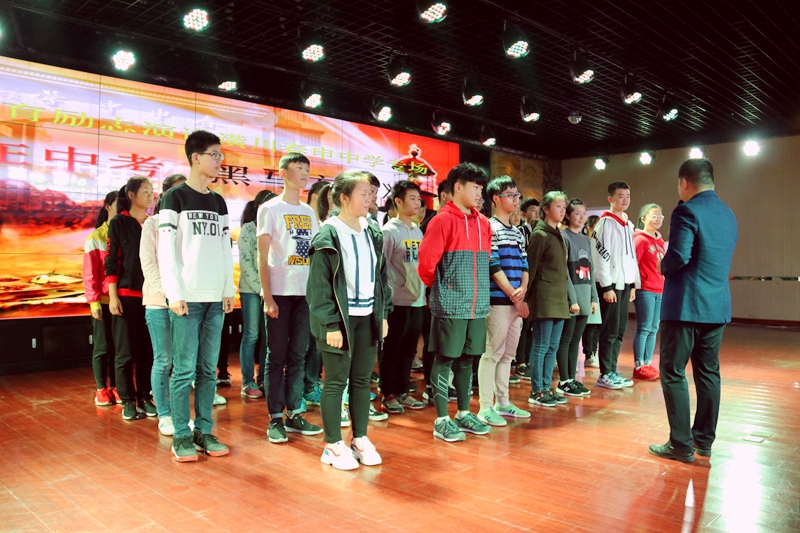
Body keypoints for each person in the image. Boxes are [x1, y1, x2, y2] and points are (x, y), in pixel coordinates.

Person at [649, 159, 737, 463]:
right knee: (708, 373)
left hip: (685, 307)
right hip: (717, 307)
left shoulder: (686, 210)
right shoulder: (727, 214)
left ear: (684, 183)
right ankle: (703, 441)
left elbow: (679, 255)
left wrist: (661, 265)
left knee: (673, 372)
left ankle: (680, 444)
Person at [159, 130, 235, 461]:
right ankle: (181, 435)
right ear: (196, 158)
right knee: (184, 370)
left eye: (220, 155)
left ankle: (204, 431)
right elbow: (166, 250)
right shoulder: (174, 197)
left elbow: (224, 248)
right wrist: (174, 292)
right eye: (214, 155)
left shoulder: (218, 202)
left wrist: (228, 288)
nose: (219, 161)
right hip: (186, 299)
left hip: (215, 299)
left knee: (207, 370)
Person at [308, 170, 391, 470]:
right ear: (344, 198)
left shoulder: (373, 232)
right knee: (335, 382)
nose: (370, 198)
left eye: (371, 194)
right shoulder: (328, 235)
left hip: (367, 317)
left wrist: (382, 314)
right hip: (339, 321)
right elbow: (318, 287)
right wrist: (330, 324)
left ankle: (359, 438)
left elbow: (381, 278)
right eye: (363, 193)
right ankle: (332, 444)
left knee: (361, 380)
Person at [418, 162, 492, 442]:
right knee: (445, 358)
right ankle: (441, 419)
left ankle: (463, 412)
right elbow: (426, 265)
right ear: (458, 187)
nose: (480, 193)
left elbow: (486, 261)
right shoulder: (441, 220)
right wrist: (442, 289)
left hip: (478, 304)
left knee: (468, 360)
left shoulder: (483, 223)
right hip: (451, 303)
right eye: (475, 187)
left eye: (481, 188)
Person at [257, 153, 323, 444]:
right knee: (276, 357)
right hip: (280, 293)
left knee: (299, 355)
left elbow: (316, 253)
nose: (304, 173)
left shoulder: (309, 212)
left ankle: (294, 413)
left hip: (304, 294)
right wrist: (267, 295)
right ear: (283, 173)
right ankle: (275, 418)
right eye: (299, 168)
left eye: (307, 169)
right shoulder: (269, 209)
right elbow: (262, 256)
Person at [477, 176, 531, 426]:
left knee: (508, 354)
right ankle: (485, 407)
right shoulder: (489, 227)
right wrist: (514, 295)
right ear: (495, 199)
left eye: (516, 194)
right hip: (498, 301)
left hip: (515, 300)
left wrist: (523, 289)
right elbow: (493, 265)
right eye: (510, 194)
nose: (515, 199)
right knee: (492, 353)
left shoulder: (518, 231)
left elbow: (525, 264)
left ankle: (503, 402)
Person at [140, 173, 186, 436]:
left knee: (183, 362)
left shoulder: (186, 223)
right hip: (159, 302)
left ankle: (180, 415)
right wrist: (170, 295)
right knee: (164, 359)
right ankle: (165, 415)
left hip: (185, 302)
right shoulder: (152, 223)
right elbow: (149, 265)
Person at [106, 176, 155, 421]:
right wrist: (113, 296)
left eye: (152, 191)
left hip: (151, 297)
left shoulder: (153, 222)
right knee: (124, 352)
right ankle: (127, 400)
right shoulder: (120, 222)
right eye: (145, 191)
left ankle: (144, 397)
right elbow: (111, 260)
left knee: (148, 351)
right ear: (131, 195)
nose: (150, 195)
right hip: (126, 296)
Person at [380, 180, 426, 414]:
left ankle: (402, 391)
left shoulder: (417, 230)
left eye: (419, 199)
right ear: (398, 201)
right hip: (397, 301)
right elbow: (381, 267)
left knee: (409, 350)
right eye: (412, 198)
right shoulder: (389, 231)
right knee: (392, 349)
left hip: (418, 300)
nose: (417, 203)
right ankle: (388, 393)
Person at [591, 182, 640, 389]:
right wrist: (606, 286)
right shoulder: (606, 223)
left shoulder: (628, 224)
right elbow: (600, 257)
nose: (625, 200)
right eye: (621, 196)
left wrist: (634, 284)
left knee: (620, 329)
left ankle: (612, 370)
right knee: (609, 330)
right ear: (611, 199)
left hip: (625, 284)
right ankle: (605, 373)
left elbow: (631, 257)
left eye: (628, 196)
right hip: (611, 284)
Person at [525, 191, 571, 407]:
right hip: (544, 298)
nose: (562, 210)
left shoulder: (557, 234)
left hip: (559, 298)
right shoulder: (540, 235)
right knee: (541, 346)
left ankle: (546, 387)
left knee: (552, 347)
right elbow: (530, 269)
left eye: (564, 207)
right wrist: (524, 298)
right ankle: (537, 390)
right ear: (545, 209)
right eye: (558, 206)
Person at [555, 199, 598, 398]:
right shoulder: (564, 237)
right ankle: (563, 380)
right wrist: (572, 299)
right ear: (568, 215)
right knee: (566, 339)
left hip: (585, 296)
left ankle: (571, 379)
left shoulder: (585, 240)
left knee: (576, 341)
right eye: (577, 214)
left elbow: (591, 270)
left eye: (584, 214)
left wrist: (594, 298)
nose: (581, 218)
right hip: (571, 300)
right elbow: (564, 272)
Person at [238, 190, 276, 399]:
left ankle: (263, 378)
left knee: (267, 336)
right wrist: (262, 289)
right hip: (251, 290)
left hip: (268, 291)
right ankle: (247, 381)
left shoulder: (274, 229)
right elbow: (246, 265)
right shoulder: (248, 229)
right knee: (251, 335)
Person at [84, 191, 119, 406]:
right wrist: (94, 302)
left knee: (119, 347)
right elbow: (90, 273)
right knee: (102, 346)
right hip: (103, 301)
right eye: (118, 204)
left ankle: (116, 386)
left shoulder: (125, 233)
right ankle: (100, 388)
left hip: (121, 300)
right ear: (107, 207)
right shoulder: (96, 237)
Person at [632, 203, 666, 381]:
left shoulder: (660, 241)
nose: (658, 219)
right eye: (654, 215)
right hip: (645, 289)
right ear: (643, 219)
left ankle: (648, 363)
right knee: (644, 327)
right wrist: (633, 286)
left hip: (659, 288)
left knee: (654, 328)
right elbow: (634, 264)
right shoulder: (640, 239)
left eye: (660, 216)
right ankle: (639, 365)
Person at [582, 215, 602, 368]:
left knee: (596, 324)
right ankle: (589, 354)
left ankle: (593, 353)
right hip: (586, 286)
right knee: (589, 323)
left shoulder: (601, 245)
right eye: (597, 226)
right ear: (589, 228)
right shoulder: (585, 243)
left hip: (598, 286)